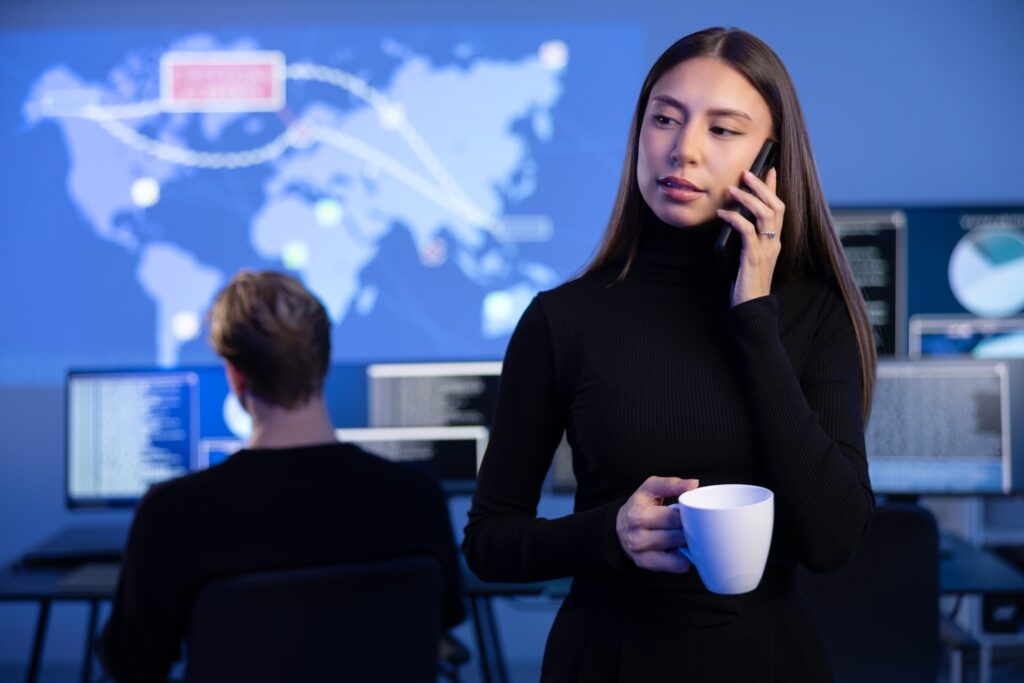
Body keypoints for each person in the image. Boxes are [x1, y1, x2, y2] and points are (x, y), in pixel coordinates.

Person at [463, 26, 876, 682]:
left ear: (770, 160)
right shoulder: (562, 318)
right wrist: (608, 533)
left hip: (768, 660)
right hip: (609, 658)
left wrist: (753, 314)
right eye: (664, 119)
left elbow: (832, 539)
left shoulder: (814, 311)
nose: (683, 149)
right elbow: (488, 541)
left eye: (723, 129)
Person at [99, 270, 464, 681]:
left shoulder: (173, 512)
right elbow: (441, 619)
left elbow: (133, 664)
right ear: (324, 362)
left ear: (236, 376)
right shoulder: (418, 497)